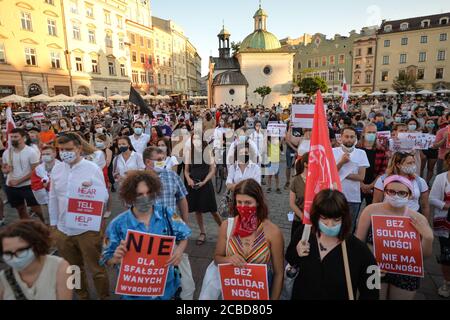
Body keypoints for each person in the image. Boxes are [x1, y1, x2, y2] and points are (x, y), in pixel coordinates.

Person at [100, 170, 191, 300]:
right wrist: (116, 258)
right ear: (130, 196)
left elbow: (184, 236)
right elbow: (106, 258)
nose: (145, 197)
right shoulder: (117, 224)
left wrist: (179, 252)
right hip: (134, 294)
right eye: (140, 194)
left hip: (167, 290)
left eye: (149, 193)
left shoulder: (167, 214)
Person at [286, 189, 379, 300]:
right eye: (324, 218)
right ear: (316, 215)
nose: (330, 225)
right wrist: (297, 252)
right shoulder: (304, 233)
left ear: (344, 218)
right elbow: (289, 257)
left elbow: (372, 290)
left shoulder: (358, 249)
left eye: (336, 219)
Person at [49, 132, 110, 300]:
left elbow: (104, 197)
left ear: (79, 148)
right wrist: (54, 226)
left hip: (87, 229)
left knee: (96, 269)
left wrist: (91, 189)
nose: (64, 153)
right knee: (73, 270)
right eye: (61, 149)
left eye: (68, 149)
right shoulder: (57, 168)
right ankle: (82, 296)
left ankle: (104, 297)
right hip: (63, 229)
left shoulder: (92, 168)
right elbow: (53, 197)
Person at [356, 175, 434, 300]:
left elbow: (423, 256)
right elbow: (359, 242)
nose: (396, 196)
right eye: (391, 191)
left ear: (409, 195)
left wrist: (428, 238)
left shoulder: (418, 219)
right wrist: (366, 264)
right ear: (385, 192)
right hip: (375, 269)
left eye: (402, 193)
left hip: (405, 273)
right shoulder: (370, 211)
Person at [214, 179, 284, 300]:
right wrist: (228, 259)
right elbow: (217, 258)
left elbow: (279, 273)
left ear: (258, 202)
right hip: (232, 293)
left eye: (248, 203)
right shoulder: (227, 226)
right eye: (239, 202)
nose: (243, 207)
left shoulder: (273, 232)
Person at [0, 220, 72, 300]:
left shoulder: (60, 267)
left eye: (21, 250)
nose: (15, 257)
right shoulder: (3, 278)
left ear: (36, 245)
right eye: (8, 253)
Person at [184, 133, 221, 245]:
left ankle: (224, 229)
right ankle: (202, 232)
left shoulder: (208, 151)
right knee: (197, 210)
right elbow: (186, 171)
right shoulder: (189, 153)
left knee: (213, 210)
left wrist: (204, 181)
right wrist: (189, 180)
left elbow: (212, 170)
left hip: (205, 183)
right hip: (193, 184)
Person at [1, 128, 44, 222]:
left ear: (24, 138)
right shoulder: (7, 152)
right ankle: (27, 228)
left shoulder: (31, 152)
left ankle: (45, 225)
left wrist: (19, 181)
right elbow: (4, 168)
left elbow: (35, 171)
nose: (13, 139)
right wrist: (5, 171)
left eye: (16, 136)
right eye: (11, 137)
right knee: (20, 209)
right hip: (11, 186)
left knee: (36, 209)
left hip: (28, 186)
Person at [372, 152, 430, 221]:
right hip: (388, 219)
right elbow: (376, 203)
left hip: (413, 220)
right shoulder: (382, 180)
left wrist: (425, 224)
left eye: (413, 162)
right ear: (398, 165)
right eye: (409, 163)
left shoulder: (420, 181)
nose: (413, 165)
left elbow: (425, 206)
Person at [333, 127, 370, 230]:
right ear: (341, 138)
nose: (349, 139)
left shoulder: (361, 153)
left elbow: (361, 177)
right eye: (346, 136)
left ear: (355, 138)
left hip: (353, 197)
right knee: (334, 225)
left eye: (352, 137)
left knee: (349, 227)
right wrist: (341, 163)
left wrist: (341, 174)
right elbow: (330, 174)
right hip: (335, 195)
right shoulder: (332, 152)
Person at [429, 150, 450, 298]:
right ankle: (447, 283)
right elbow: (432, 199)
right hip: (446, 223)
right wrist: (447, 206)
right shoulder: (442, 178)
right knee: (447, 254)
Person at [358, 123, 389, 206]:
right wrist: (362, 185)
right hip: (357, 185)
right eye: (369, 132)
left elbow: (382, 172)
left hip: (375, 186)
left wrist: (370, 186)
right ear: (363, 133)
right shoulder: (357, 149)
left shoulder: (381, 150)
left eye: (374, 132)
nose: (371, 134)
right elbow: (353, 169)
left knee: (372, 211)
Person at [289, 153, 308, 238]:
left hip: (314, 222)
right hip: (299, 220)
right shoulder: (296, 180)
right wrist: (302, 217)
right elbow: (292, 203)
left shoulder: (318, 181)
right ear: (305, 164)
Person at [421, 119, 438, 184]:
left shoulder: (437, 132)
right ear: (425, 124)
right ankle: (421, 182)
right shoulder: (422, 132)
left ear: (434, 124)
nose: (430, 124)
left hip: (433, 151)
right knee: (421, 168)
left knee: (430, 168)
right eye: (428, 123)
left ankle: (427, 183)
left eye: (432, 123)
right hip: (424, 151)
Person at [284, 122, 301, 189]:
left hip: (298, 149)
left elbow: (302, 139)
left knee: (297, 166)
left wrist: (298, 149)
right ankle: (287, 181)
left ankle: (296, 182)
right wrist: (294, 149)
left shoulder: (300, 126)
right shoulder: (289, 125)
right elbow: (287, 140)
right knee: (288, 166)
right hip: (290, 149)